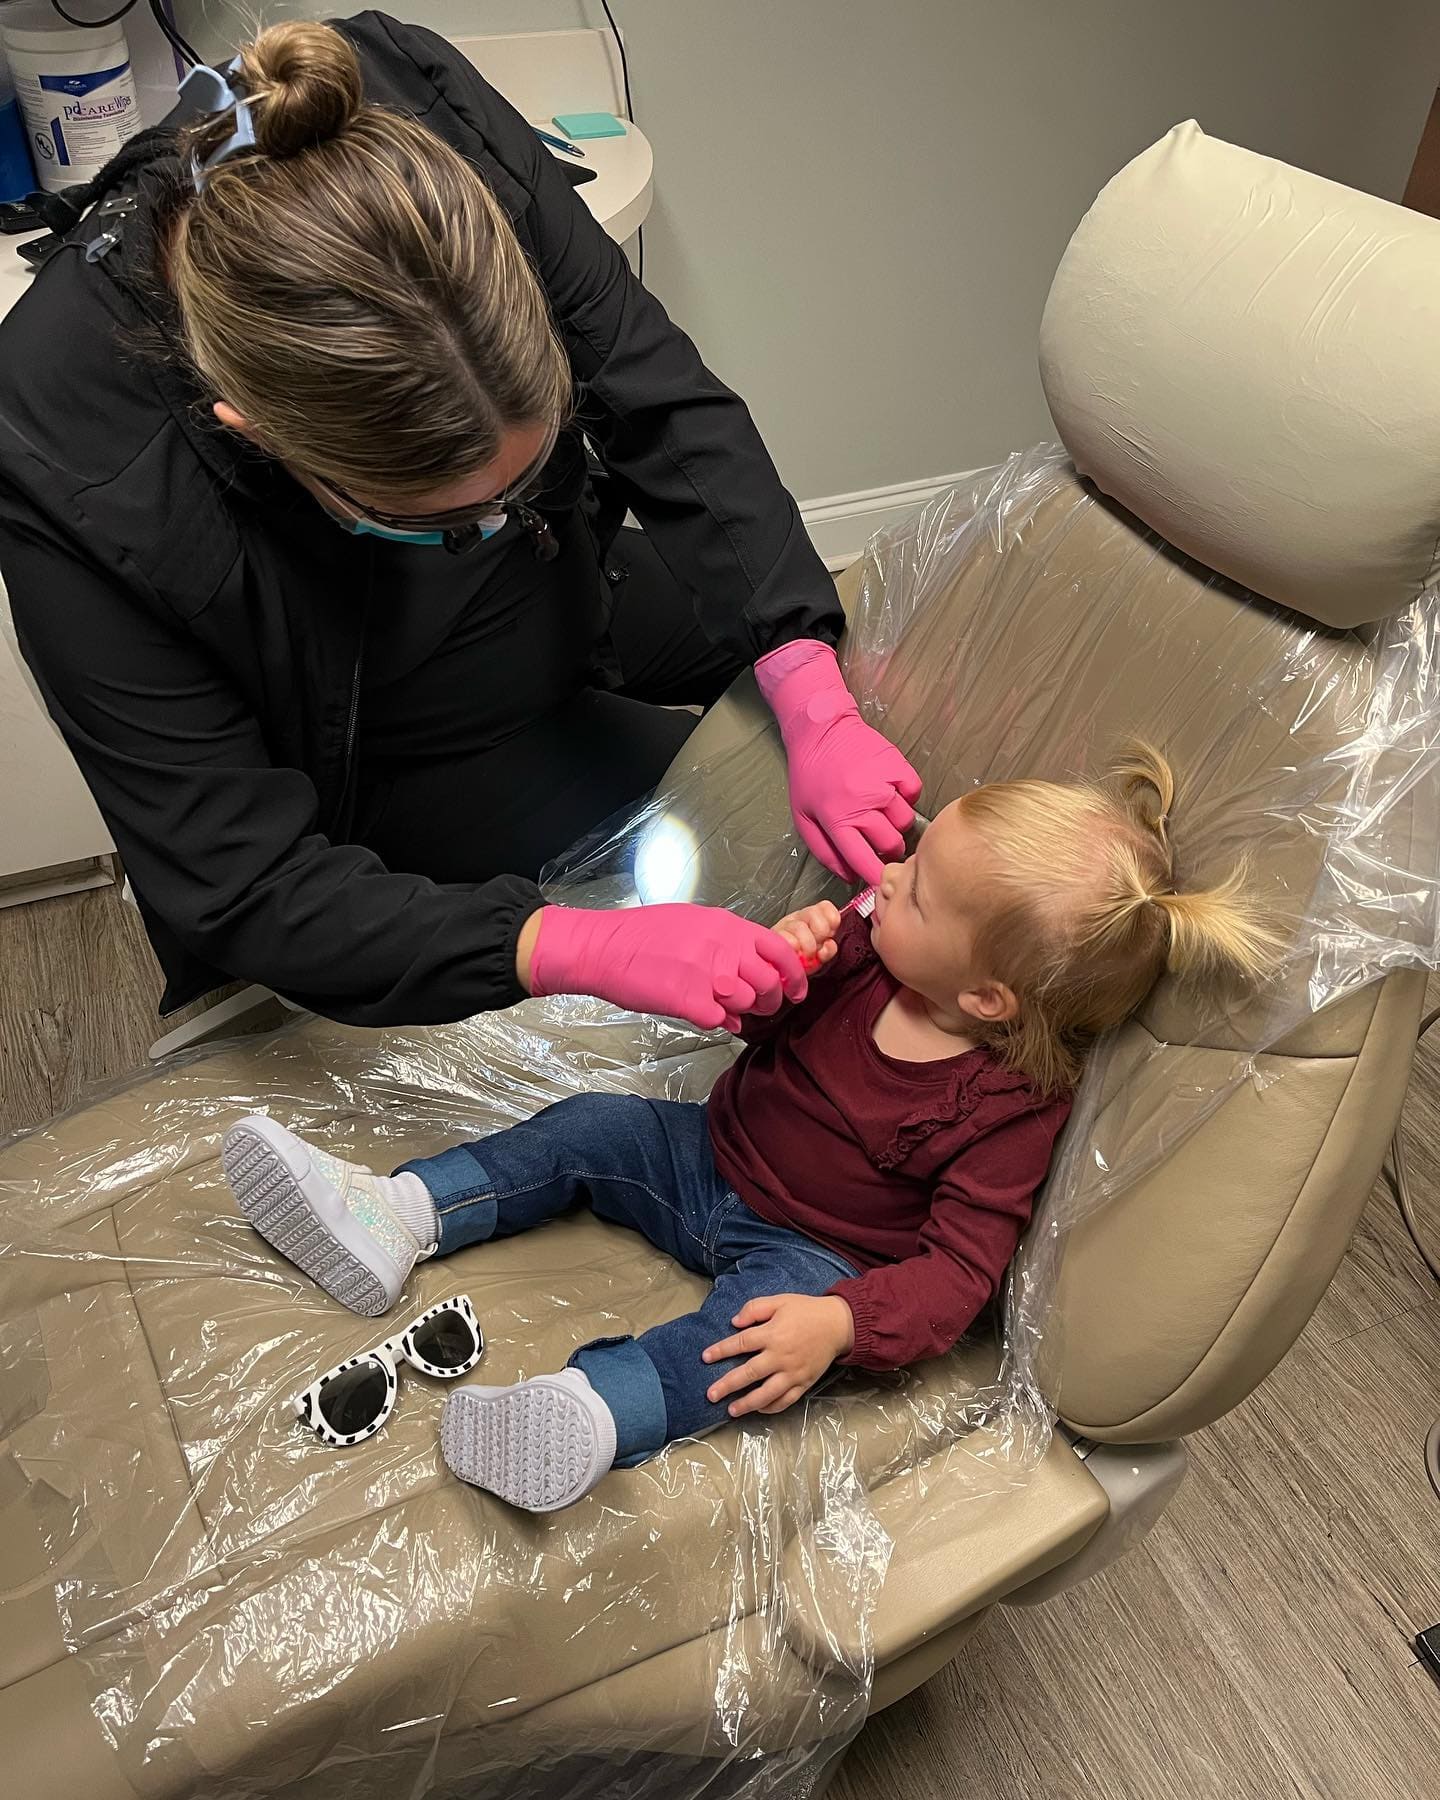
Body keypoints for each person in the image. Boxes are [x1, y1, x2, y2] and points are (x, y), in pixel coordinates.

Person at [0, 14, 919, 1034]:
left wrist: (805, 676)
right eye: (447, 517)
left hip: (567, 573)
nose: (491, 518)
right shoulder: (64, 461)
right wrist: (556, 944)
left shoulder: (418, 123)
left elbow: (662, 402)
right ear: (256, 433)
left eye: (515, 474)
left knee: (879, 679)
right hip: (378, 722)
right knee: (732, 856)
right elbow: (245, 885)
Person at [220, 744, 1278, 1510]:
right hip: (706, 1156)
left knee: (747, 1353)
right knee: (590, 1125)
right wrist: (784, 970)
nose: (886, 875)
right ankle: (398, 1214)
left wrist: (843, 1326)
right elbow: (757, 1033)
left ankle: (589, 1413)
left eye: (915, 891)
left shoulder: (1010, 1109)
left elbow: (960, 1274)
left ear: (989, 998)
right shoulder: (865, 956)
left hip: (813, 1254)